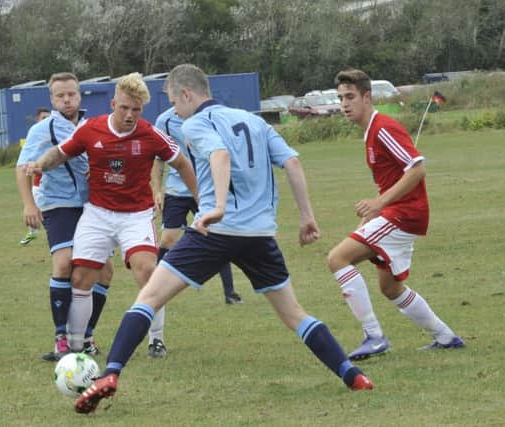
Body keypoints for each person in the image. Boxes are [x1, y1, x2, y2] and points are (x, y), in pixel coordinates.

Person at [73, 63, 373, 415]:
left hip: (214, 232)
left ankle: (110, 375)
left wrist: (214, 205)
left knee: (148, 296)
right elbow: (291, 162)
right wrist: (307, 217)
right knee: (295, 314)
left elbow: (219, 154)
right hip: (260, 235)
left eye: (173, 100)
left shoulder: (195, 122)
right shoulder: (256, 121)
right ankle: (352, 375)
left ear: (186, 94)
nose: (174, 110)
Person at [25, 73, 198, 359]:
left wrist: (201, 202)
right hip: (98, 214)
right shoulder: (91, 130)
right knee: (81, 277)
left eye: (136, 110)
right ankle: (77, 347)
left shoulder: (150, 134)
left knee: (147, 271)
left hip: (136, 215)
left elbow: (181, 163)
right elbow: (60, 153)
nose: (130, 115)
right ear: (113, 102)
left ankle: (156, 340)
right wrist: (40, 164)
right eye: (124, 108)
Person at [328, 69, 464, 360]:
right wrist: (369, 218)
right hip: (400, 213)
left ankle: (374, 337)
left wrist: (379, 204)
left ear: (367, 97)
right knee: (390, 287)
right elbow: (389, 181)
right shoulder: (371, 133)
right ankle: (446, 337)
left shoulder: (383, 128)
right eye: (340, 98)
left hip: (404, 213)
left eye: (350, 97)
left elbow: (417, 168)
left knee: (337, 258)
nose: (344, 104)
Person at [16, 73, 113, 361]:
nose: (67, 100)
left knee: (104, 270)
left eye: (71, 94)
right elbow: (23, 168)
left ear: (80, 96)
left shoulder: (95, 127)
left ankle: (85, 336)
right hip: (57, 204)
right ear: (52, 100)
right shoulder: (43, 130)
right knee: (64, 262)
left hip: (93, 206)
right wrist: (28, 205)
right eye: (60, 96)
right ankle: (61, 337)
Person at [153, 107, 242, 305]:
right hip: (176, 191)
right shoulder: (164, 120)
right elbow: (158, 160)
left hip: (204, 190)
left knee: (215, 236)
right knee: (167, 240)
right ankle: (153, 289)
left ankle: (230, 293)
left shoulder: (206, 118)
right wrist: (157, 190)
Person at [20, 107, 51, 246]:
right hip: (39, 183)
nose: (47, 120)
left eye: (48, 117)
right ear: (37, 119)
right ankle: (32, 232)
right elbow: (25, 161)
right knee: (34, 208)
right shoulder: (36, 134)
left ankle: (34, 232)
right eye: (44, 118)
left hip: (50, 184)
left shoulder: (53, 133)